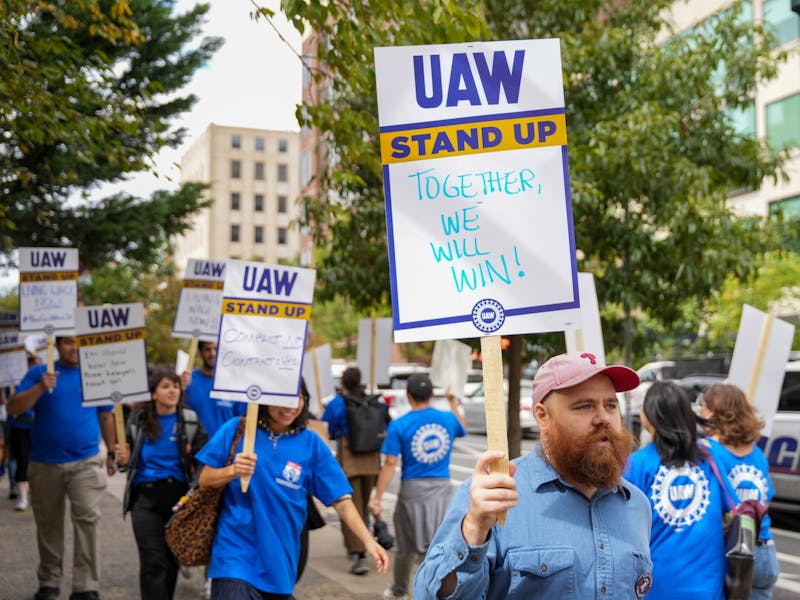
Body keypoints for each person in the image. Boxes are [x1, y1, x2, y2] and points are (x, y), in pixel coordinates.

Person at [415, 352, 652, 599]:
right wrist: (474, 529)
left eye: (610, 405)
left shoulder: (636, 505)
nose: (603, 418)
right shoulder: (494, 496)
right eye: (585, 406)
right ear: (542, 416)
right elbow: (428, 595)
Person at [195, 379, 389, 599]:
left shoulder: (311, 444)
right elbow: (205, 478)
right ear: (265, 400)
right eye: (281, 399)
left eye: (296, 398)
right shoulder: (237, 430)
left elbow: (341, 501)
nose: (289, 407)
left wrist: (369, 542)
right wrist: (232, 470)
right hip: (234, 555)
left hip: (281, 560)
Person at [8, 336, 117, 600]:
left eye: (80, 342)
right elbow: (13, 408)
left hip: (86, 462)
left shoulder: (96, 372)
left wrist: (112, 452)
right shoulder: (38, 372)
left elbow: (106, 414)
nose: (75, 348)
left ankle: (86, 586)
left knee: (88, 521)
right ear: (55, 346)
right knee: (48, 525)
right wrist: (40, 388)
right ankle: (49, 581)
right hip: (45, 463)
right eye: (68, 342)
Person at [625, 380, 732, 600]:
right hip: (708, 585)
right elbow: (731, 509)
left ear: (650, 415)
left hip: (656, 587)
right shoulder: (712, 455)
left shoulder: (636, 465)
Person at [369, 374, 467, 600]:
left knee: (406, 546)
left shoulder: (400, 424)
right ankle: (434, 591)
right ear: (432, 394)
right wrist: (452, 401)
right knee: (437, 543)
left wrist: (378, 497)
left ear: (408, 395)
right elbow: (463, 427)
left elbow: (391, 463)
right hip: (441, 489)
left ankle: (399, 591)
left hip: (412, 490)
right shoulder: (447, 418)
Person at [114, 369, 208, 600]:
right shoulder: (138, 419)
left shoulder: (189, 420)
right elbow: (125, 459)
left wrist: (194, 490)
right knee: (152, 562)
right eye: (166, 386)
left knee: (170, 561)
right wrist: (122, 460)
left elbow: (204, 460)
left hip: (178, 499)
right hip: (145, 499)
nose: (172, 390)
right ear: (154, 393)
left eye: (176, 386)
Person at [701, 383, 779, 600]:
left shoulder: (707, 451)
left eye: (704, 407)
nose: (700, 412)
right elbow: (766, 499)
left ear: (716, 412)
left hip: (733, 553)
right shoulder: (757, 453)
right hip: (765, 550)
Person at [321, 366, 389, 575]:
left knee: (350, 506)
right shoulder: (374, 401)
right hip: (371, 459)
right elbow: (386, 422)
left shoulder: (337, 403)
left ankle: (359, 553)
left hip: (349, 458)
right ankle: (364, 544)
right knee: (363, 502)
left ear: (343, 382)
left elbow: (327, 428)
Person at [182, 341, 246, 437]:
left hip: (225, 449)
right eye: (208, 349)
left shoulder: (235, 384)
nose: (212, 353)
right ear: (201, 352)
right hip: (195, 449)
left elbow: (243, 421)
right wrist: (180, 387)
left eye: (216, 349)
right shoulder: (188, 381)